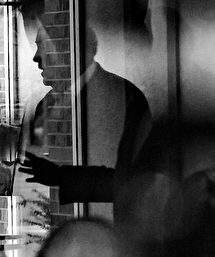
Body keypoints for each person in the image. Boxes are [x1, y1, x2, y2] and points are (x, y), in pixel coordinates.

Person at [21, 24, 153, 226]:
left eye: (44, 46)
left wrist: (59, 177)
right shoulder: (45, 106)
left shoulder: (121, 98)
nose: (36, 57)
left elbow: (126, 182)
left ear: (71, 50)